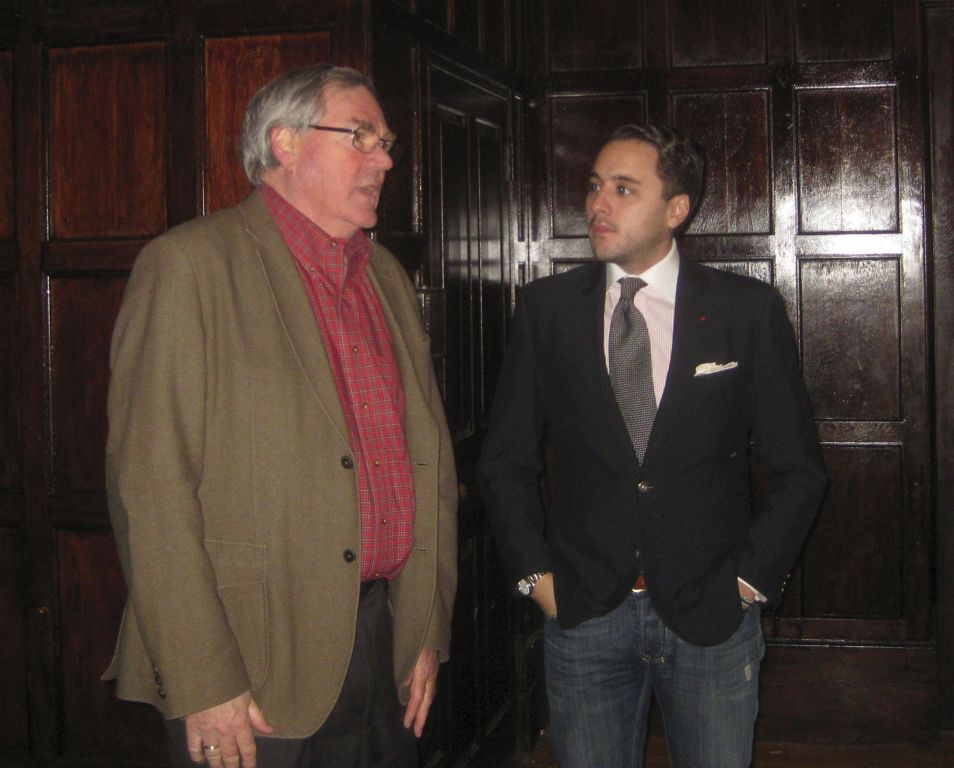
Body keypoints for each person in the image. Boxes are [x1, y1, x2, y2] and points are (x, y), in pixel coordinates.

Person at [104, 64, 457, 768]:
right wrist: (204, 678)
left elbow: (431, 461)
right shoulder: (190, 266)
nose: (384, 159)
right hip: (251, 659)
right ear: (285, 143)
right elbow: (150, 488)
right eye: (361, 136)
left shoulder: (385, 276)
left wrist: (427, 626)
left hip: (384, 638)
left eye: (385, 142)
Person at [479, 122, 827, 768]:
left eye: (623, 189)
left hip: (712, 614)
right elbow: (505, 459)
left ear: (676, 209)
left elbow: (799, 470)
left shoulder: (745, 310)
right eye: (594, 186)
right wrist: (535, 577)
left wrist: (749, 581)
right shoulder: (547, 309)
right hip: (584, 610)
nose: (597, 204)